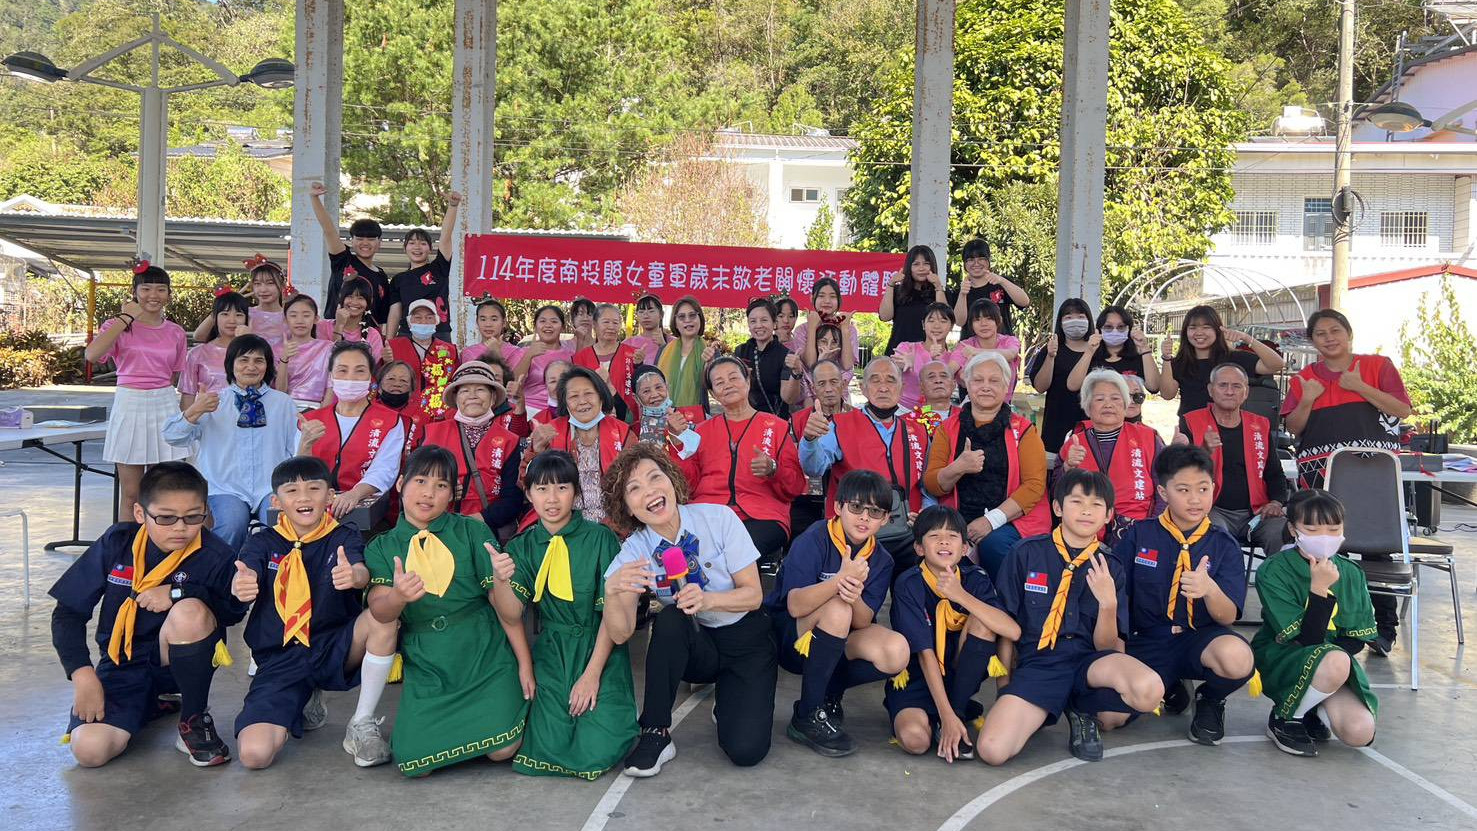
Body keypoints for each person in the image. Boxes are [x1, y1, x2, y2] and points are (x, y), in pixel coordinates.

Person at [50, 462, 245, 768]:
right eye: (166, 518)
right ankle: (150, 704)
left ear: (206, 512)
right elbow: (68, 612)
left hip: (176, 663)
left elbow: (231, 612)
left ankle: (193, 719)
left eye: (193, 517)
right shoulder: (117, 543)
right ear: (140, 513)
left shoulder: (215, 554)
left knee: (190, 611)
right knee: (89, 751)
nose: (180, 528)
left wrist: (179, 592)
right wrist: (82, 674)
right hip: (121, 663)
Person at [602, 444, 775, 776]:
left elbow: (753, 596)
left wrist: (708, 600)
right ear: (627, 507)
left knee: (746, 750)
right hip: (697, 644)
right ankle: (656, 732)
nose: (649, 491)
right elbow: (621, 634)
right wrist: (612, 592)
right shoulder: (635, 550)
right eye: (634, 488)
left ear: (671, 479)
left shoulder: (718, 518)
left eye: (655, 477)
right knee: (670, 618)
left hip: (745, 638)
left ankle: (729, 700)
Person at [975, 469, 1164, 765]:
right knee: (992, 750)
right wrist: (1006, 689)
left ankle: (1081, 709)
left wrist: (1108, 604)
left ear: (1108, 515)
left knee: (1149, 690)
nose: (1086, 511)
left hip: (1090, 664)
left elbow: (1107, 647)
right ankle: (1047, 707)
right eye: (1077, 502)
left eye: (1096, 504)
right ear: (1058, 507)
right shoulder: (1025, 554)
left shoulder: (1110, 567)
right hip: (1040, 665)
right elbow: (1006, 629)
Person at [364, 445, 532, 776]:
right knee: (414, 762)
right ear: (401, 484)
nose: (429, 493)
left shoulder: (471, 531)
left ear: (452, 494)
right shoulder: (382, 546)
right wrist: (398, 596)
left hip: (483, 653)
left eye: (441, 485)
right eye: (421, 481)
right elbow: (381, 612)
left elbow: (505, 610)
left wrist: (525, 665)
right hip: (429, 663)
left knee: (502, 749)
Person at [231, 456, 398, 769]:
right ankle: (302, 699)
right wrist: (241, 583)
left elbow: (360, 569)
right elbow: (245, 571)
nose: (304, 497)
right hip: (281, 657)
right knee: (255, 755)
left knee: (383, 620)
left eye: (314, 488)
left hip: (334, 646)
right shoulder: (262, 542)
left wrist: (355, 576)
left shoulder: (343, 536)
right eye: (291, 491)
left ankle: (361, 722)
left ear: (330, 495)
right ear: (276, 502)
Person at [492, 450, 638, 779]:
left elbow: (609, 615)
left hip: (599, 648)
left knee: (597, 749)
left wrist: (591, 675)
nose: (552, 499)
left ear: (576, 492)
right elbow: (511, 613)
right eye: (542, 489)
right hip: (552, 653)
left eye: (562, 488)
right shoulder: (522, 546)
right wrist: (500, 580)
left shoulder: (601, 538)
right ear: (529, 495)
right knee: (545, 744)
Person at [1281, 308, 1411, 655]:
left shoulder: (1377, 366)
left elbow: (1401, 409)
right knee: (1326, 550)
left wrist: (1359, 387)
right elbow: (1294, 427)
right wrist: (1308, 398)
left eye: (1335, 330)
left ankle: (1383, 629)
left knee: (1377, 549)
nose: (1329, 338)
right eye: (1320, 333)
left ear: (1348, 333)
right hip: (1321, 475)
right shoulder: (1305, 377)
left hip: (1372, 478)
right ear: (1313, 341)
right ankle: (1336, 627)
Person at [1111, 445, 1255, 746]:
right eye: (1183, 490)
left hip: (1198, 639)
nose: (1195, 499)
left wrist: (1209, 590)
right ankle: (1168, 685)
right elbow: (1118, 596)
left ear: (1213, 488)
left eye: (1203, 489)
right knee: (1108, 718)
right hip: (1147, 640)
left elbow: (1228, 616)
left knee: (1237, 658)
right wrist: (1118, 647)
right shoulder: (1139, 535)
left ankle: (1210, 699)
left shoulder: (1224, 544)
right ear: (1163, 492)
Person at [766, 470, 910, 757]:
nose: (864, 517)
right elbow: (794, 605)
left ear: (885, 519)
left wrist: (853, 591)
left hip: (837, 637)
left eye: (874, 512)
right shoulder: (815, 538)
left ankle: (829, 693)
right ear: (838, 506)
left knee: (897, 650)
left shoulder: (881, 559)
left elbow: (863, 620)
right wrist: (839, 581)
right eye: (856, 507)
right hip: (790, 638)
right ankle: (807, 715)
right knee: (837, 608)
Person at [887, 505, 1020, 761]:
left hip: (960, 678)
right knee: (915, 741)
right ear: (919, 548)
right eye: (934, 536)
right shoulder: (909, 584)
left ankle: (958, 710)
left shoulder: (975, 578)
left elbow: (1011, 631)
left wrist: (960, 595)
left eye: (952, 536)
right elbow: (925, 654)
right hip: (919, 679)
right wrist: (944, 715)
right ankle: (945, 718)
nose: (944, 541)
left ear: (965, 548)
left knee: (985, 621)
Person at [1252, 489, 1378, 757]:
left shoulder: (1351, 572)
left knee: (1359, 731)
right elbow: (1304, 639)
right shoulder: (1274, 570)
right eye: (1312, 529)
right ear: (1293, 529)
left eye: (1334, 530)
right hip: (1284, 655)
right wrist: (1319, 590)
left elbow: (1357, 638)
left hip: (1334, 665)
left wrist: (1333, 668)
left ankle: (1312, 702)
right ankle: (1285, 718)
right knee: (1334, 659)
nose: (1324, 537)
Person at [162, 335, 299, 551]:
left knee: (278, 528)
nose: (251, 367)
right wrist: (195, 410)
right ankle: (223, 571)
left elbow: (295, 448)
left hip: (271, 487)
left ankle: (268, 572)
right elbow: (173, 436)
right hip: (225, 486)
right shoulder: (213, 401)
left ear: (267, 366)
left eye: (259, 360)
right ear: (230, 365)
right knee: (232, 524)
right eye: (243, 360)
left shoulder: (282, 402)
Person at [924, 352, 1050, 581]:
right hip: (958, 517)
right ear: (966, 384)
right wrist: (958, 467)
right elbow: (932, 483)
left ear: (1006, 386)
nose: (985, 386)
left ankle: (1005, 602)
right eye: (978, 380)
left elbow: (1034, 485)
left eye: (994, 380)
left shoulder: (1023, 430)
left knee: (994, 544)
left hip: (1010, 520)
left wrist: (991, 521)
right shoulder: (947, 428)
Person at [799, 357, 932, 571]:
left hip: (908, 530)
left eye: (890, 380)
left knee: (920, 577)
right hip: (856, 530)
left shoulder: (918, 430)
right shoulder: (840, 424)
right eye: (875, 380)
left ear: (901, 387)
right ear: (863, 388)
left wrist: (926, 513)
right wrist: (810, 439)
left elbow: (928, 486)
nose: (883, 387)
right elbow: (814, 468)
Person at [679, 357, 805, 574]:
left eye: (733, 378)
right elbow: (686, 485)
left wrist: (773, 470)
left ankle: (738, 595)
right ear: (713, 394)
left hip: (761, 516)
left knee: (734, 554)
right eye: (719, 382)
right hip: (707, 514)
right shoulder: (701, 431)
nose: (727, 385)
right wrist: (681, 442)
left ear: (747, 381)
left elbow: (794, 487)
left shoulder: (776, 427)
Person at [85, 261, 190, 518]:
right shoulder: (117, 325)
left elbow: (176, 374)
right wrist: (125, 318)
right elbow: (92, 355)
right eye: (146, 289)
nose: (153, 295)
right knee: (132, 493)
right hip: (129, 403)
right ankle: (128, 541)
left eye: (161, 289)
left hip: (164, 403)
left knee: (162, 491)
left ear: (169, 294)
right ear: (134, 292)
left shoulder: (175, 332)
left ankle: (158, 540)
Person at [1175, 362, 1288, 556]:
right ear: (1211, 390)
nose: (1229, 392)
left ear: (1246, 392)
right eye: (1223, 385)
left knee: (1282, 532)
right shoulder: (1191, 421)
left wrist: (1276, 503)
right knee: (1214, 535)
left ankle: (1278, 577)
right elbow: (1180, 474)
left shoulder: (1260, 425)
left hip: (1257, 513)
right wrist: (1204, 451)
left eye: (1236, 386)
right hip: (1212, 509)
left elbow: (1274, 473)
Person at [299, 342, 407, 521]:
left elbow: (384, 470)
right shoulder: (309, 420)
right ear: (331, 376)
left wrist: (355, 494)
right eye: (342, 370)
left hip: (363, 509)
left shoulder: (390, 421)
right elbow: (295, 471)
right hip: (312, 509)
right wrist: (305, 445)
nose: (351, 378)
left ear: (370, 377)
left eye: (360, 371)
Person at [1060, 369, 1166, 543]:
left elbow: (1165, 488)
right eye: (1100, 399)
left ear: (1125, 404)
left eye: (1115, 398)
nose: (1108, 404)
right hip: (1085, 534)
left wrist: (1153, 529)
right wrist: (1067, 467)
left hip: (1141, 533)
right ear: (1087, 406)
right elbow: (1056, 493)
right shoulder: (1074, 442)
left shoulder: (1149, 438)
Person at [419, 361, 526, 533]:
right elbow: (416, 484)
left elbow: (512, 500)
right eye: (465, 391)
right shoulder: (432, 433)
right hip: (438, 525)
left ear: (493, 397)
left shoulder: (509, 440)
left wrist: (472, 522)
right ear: (456, 398)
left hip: (487, 527)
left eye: (480, 389)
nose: (472, 396)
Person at [529, 366, 636, 525]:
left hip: (617, 524)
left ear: (601, 397)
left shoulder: (622, 432)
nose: (582, 401)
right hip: (565, 524)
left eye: (588, 394)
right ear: (565, 402)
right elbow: (526, 482)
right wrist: (537, 453)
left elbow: (637, 480)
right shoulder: (550, 432)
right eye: (574, 396)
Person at [1159, 304, 1284, 417]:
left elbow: (1276, 365)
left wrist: (1246, 338)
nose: (1199, 333)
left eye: (1206, 327)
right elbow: (1167, 394)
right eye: (1193, 328)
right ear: (1185, 332)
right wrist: (1166, 358)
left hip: (1229, 428)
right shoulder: (1180, 362)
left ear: (1217, 330)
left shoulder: (1234, 358)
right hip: (1190, 429)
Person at [311, 181, 392, 327]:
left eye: (371, 239)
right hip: (334, 331)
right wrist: (314, 198)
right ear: (352, 241)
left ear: (379, 243)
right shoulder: (343, 260)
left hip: (367, 335)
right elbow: (329, 230)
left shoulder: (381, 276)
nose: (365, 243)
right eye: (359, 238)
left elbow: (381, 317)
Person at [789, 359, 850, 545]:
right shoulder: (797, 420)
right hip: (805, 499)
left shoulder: (858, 418)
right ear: (813, 388)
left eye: (834, 382)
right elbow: (791, 463)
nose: (829, 389)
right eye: (822, 384)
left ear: (843, 384)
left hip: (848, 498)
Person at [384, 193, 460, 339]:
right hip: (407, 334)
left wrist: (453, 206)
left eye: (423, 243)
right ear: (405, 248)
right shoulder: (398, 280)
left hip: (439, 333)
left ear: (430, 249)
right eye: (412, 243)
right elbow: (395, 313)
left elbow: (445, 237)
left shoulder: (439, 268)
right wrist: (389, 341)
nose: (417, 247)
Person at [1025, 299, 1095, 454]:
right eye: (1068, 317)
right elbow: (1040, 387)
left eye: (1081, 316)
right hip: (1057, 425)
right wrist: (1051, 356)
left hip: (1091, 425)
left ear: (1089, 320)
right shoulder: (1050, 349)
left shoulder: (1098, 350)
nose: (1075, 321)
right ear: (1061, 323)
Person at [192, 258, 287, 352]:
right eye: (257, 284)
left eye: (270, 283)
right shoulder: (243, 314)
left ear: (282, 285)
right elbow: (199, 336)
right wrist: (228, 303)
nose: (263, 289)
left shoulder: (290, 316)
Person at [387, 299, 459, 422]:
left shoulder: (450, 350)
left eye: (429, 317)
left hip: (438, 416)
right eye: (418, 318)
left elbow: (456, 383)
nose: (423, 322)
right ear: (409, 322)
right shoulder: (392, 347)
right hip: (402, 413)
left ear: (436, 321)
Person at [180, 290, 250, 412]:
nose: (232, 320)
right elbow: (188, 397)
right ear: (215, 318)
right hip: (207, 417)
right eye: (225, 314)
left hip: (247, 417)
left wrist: (247, 345)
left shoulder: (255, 353)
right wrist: (187, 420)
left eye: (239, 315)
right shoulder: (197, 354)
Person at [1066, 305, 1160, 395]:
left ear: (1129, 329)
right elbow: (1072, 386)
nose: (1115, 331)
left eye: (1121, 327)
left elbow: (1154, 387)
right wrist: (1089, 352)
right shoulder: (1090, 357)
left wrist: (1144, 348)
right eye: (1108, 327)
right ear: (1099, 330)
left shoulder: (1137, 357)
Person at [733, 297, 800, 420]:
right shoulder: (741, 351)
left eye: (764, 320)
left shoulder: (785, 355)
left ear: (774, 323)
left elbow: (789, 398)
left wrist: (796, 373)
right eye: (753, 321)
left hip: (775, 422)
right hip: (744, 420)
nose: (758, 325)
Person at [574, 303, 641, 421]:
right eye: (606, 322)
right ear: (594, 324)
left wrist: (639, 365)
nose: (611, 327)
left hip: (626, 420)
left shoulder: (633, 354)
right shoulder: (581, 358)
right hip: (590, 420)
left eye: (615, 323)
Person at [950, 238, 1030, 336]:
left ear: (988, 260)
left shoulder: (1000, 283)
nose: (976, 263)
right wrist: (962, 294)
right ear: (964, 264)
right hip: (971, 344)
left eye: (981, 258)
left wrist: (1002, 281)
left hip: (1002, 344)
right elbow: (959, 322)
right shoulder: (960, 291)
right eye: (970, 260)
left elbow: (1024, 302)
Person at [893, 302, 963, 411]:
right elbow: (894, 368)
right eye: (931, 320)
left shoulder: (953, 359)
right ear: (923, 324)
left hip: (936, 412)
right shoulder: (907, 348)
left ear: (951, 326)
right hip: (904, 409)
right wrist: (903, 365)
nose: (936, 326)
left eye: (943, 321)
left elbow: (964, 380)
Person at [880, 245, 948, 354]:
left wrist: (938, 287)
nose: (921, 268)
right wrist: (890, 285)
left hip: (931, 354)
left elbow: (945, 318)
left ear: (932, 266)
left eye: (926, 263)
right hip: (899, 353)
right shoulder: (898, 291)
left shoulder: (939, 292)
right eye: (916, 264)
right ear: (909, 268)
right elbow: (885, 316)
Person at [656, 295, 717, 414]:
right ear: (675, 322)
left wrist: (710, 363)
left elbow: (716, 390)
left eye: (692, 315)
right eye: (681, 317)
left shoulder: (710, 351)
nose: (687, 320)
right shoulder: (664, 350)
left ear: (700, 318)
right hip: (665, 416)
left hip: (697, 418)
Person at [791, 278, 859, 385]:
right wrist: (812, 328)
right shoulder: (802, 330)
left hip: (839, 389)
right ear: (812, 298)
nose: (827, 301)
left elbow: (847, 365)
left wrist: (844, 329)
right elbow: (810, 363)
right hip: (809, 389)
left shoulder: (849, 329)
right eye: (821, 296)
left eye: (832, 296)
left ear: (839, 300)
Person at [514, 304, 575, 418]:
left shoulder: (571, 354)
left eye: (554, 321)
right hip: (530, 411)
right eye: (542, 321)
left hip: (563, 412)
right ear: (535, 326)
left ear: (562, 327)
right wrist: (529, 356)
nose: (548, 325)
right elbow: (515, 382)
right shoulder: (524, 352)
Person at [274, 293, 333, 410]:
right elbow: (280, 391)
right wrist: (284, 359)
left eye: (306, 315)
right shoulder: (277, 350)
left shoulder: (327, 348)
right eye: (293, 315)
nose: (299, 321)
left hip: (317, 409)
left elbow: (331, 386)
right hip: (285, 408)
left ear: (316, 319)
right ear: (285, 320)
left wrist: (322, 414)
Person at [957, 298, 1022, 403]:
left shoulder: (1009, 341)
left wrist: (976, 352)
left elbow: (1011, 354)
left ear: (999, 320)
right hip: (974, 404)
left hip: (1004, 404)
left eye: (989, 318)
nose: (983, 324)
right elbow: (961, 379)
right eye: (977, 319)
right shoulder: (965, 345)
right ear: (971, 324)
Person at [631, 364, 702, 457]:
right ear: (636, 398)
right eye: (646, 391)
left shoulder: (693, 416)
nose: (655, 395)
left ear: (667, 387)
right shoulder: (633, 432)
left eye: (658, 387)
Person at [316, 276, 386, 363]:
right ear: (341, 298)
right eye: (350, 296)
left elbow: (375, 368)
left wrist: (388, 360)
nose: (354, 302)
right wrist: (339, 326)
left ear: (369, 302)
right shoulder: (323, 326)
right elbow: (328, 362)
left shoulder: (373, 335)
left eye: (360, 298)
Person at [462, 298, 526, 371]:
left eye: (494, 319)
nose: (488, 324)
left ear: (504, 322)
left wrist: (497, 354)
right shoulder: (468, 353)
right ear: (477, 322)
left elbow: (513, 377)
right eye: (483, 319)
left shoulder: (515, 352)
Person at [623, 293, 671, 364]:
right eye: (641, 312)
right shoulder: (627, 344)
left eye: (651, 311)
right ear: (637, 315)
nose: (646, 316)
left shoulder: (673, 342)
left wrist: (663, 346)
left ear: (661, 314)